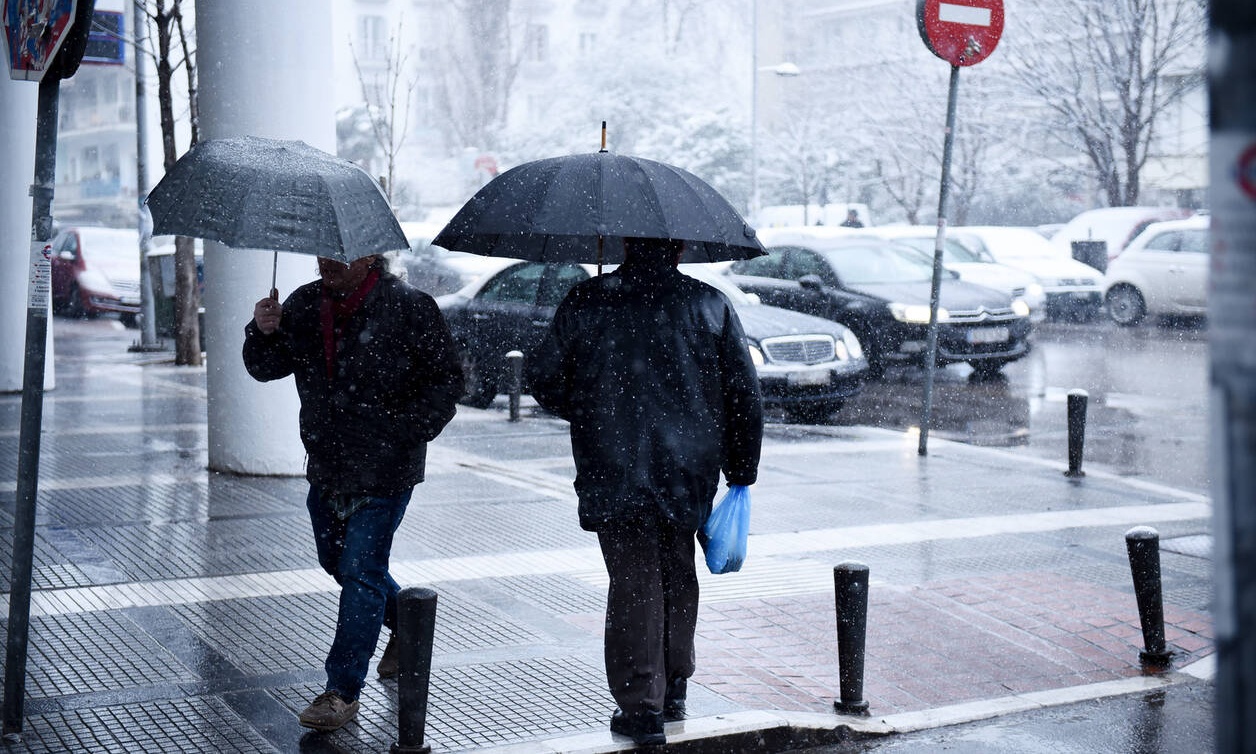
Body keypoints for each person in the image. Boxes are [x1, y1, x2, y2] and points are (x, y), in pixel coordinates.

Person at [528, 237, 764, 747]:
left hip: (612, 465)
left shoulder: (587, 300)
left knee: (634, 580)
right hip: (688, 468)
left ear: (626, 243)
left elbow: (543, 379)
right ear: (679, 246)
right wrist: (741, 468)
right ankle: (674, 681)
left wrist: (591, 409)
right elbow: (743, 392)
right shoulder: (708, 303)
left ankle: (642, 708)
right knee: (677, 569)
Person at [243, 253, 463, 732]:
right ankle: (407, 623)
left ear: (371, 256)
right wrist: (262, 331)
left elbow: (447, 382)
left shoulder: (409, 307)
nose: (329, 262)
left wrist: (402, 432)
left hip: (386, 470)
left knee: (361, 571)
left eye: (341, 253)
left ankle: (342, 691)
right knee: (337, 563)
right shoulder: (303, 304)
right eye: (323, 252)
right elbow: (265, 368)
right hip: (327, 465)